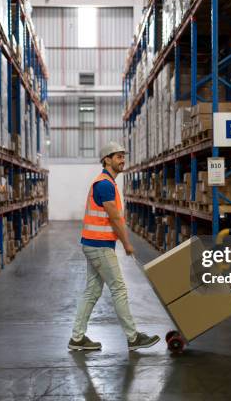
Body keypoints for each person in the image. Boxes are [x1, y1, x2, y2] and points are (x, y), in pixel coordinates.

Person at [69, 141, 160, 351]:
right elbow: (115, 219)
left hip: (95, 244)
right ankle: (133, 337)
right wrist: (127, 243)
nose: (122, 160)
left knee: (92, 292)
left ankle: (76, 338)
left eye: (122, 156)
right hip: (99, 246)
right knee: (118, 288)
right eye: (118, 156)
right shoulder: (105, 185)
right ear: (106, 160)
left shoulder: (108, 183)